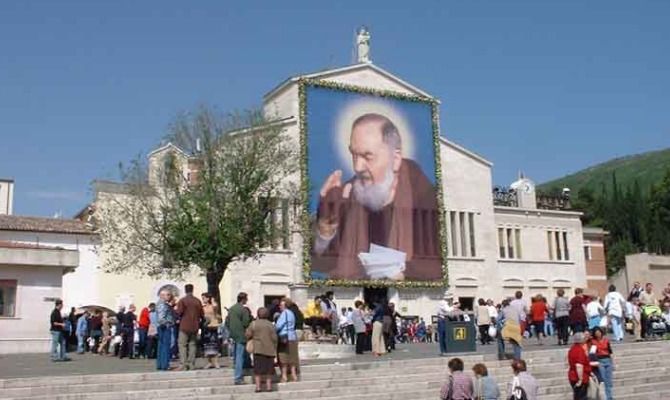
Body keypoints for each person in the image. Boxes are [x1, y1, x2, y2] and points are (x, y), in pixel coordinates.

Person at [312, 113, 442, 281]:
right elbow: (322, 264)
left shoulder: (423, 195)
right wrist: (325, 231)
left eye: (367, 156)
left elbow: (437, 263)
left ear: (395, 159)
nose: (358, 167)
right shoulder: (347, 195)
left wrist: (401, 273)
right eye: (354, 155)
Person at [246, 307, 278, 393]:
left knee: (257, 370)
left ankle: (258, 387)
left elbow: (248, 334)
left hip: (258, 349)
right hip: (269, 349)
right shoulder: (271, 325)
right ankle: (269, 387)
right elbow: (275, 338)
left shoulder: (254, 324)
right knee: (269, 370)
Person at [175, 284, 203, 371]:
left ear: (185, 290)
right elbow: (202, 314)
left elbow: (179, 313)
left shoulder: (183, 301)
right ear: (192, 290)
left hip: (184, 326)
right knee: (192, 345)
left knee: (182, 345)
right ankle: (191, 364)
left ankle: (183, 364)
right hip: (195, 326)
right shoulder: (197, 301)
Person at [228, 292, 251, 385]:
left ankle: (246, 366)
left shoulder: (232, 309)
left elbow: (227, 321)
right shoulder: (244, 310)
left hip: (233, 334)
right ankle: (238, 377)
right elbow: (246, 323)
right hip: (241, 334)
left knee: (238, 354)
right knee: (239, 355)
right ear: (243, 299)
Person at [276, 297, 299, 382]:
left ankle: (284, 376)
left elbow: (278, 326)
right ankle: (294, 375)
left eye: (281, 305)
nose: (279, 306)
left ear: (285, 305)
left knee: (283, 358)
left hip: (284, 337)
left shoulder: (284, 313)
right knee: (292, 358)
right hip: (293, 337)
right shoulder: (292, 313)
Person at [589, 327, 614, 400]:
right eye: (596, 333)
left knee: (608, 380)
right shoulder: (593, 341)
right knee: (603, 380)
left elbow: (610, 351)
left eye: (599, 332)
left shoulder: (606, 340)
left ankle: (609, 397)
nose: (598, 334)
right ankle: (604, 397)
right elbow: (592, 353)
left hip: (608, 360)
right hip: (600, 361)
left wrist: (613, 362)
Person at [156, 289, 176, 371]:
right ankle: (165, 364)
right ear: (162, 295)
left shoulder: (160, 304)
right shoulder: (163, 304)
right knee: (165, 346)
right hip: (165, 326)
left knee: (161, 346)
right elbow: (161, 317)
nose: (169, 296)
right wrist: (167, 322)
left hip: (161, 326)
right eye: (168, 295)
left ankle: (160, 364)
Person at [567, 332, 592, 400]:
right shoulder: (579, 350)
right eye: (584, 338)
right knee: (582, 397)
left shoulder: (572, 349)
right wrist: (580, 379)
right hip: (579, 377)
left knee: (577, 396)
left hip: (573, 376)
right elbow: (579, 365)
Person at [201, 293, 221, 369]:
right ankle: (209, 361)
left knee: (214, 344)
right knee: (207, 345)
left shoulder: (213, 306)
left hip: (213, 326)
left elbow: (216, 307)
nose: (203, 300)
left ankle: (215, 361)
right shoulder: (203, 307)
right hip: (206, 327)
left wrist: (212, 300)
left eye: (204, 298)